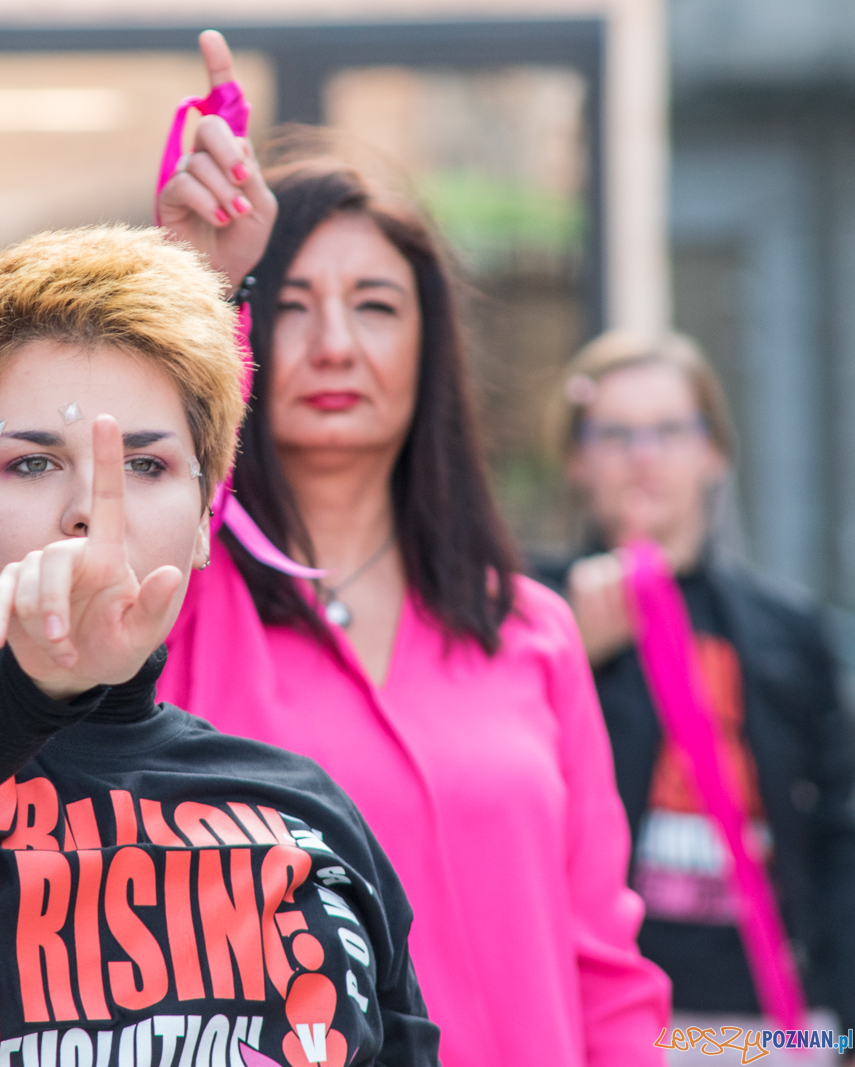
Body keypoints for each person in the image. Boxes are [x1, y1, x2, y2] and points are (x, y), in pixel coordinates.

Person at [0, 225, 442, 1066]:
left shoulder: (310, 815)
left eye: (144, 467)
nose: (89, 509)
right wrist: (32, 674)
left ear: (208, 513)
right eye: (32, 463)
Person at [151, 32, 670, 1067]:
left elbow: (603, 969)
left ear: (428, 348)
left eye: (375, 306)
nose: (334, 343)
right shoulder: (175, 603)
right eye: (290, 304)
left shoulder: (533, 629)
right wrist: (191, 286)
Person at [533, 331, 855, 1064]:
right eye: (615, 434)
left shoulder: (786, 628)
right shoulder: (531, 614)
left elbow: (839, 833)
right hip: (605, 1015)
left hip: (771, 1023)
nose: (644, 455)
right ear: (578, 458)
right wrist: (569, 649)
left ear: (714, 452)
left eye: (670, 430)